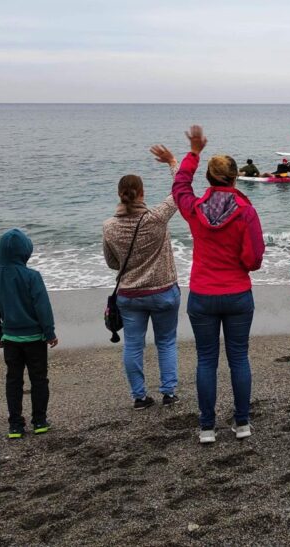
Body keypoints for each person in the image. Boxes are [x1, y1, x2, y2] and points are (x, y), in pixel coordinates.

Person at [173, 125, 265, 444]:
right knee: (238, 357)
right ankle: (242, 424)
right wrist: (238, 263)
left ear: (210, 179)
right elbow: (254, 259)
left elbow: (180, 186)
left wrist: (193, 153)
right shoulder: (245, 211)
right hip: (237, 293)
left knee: (206, 360)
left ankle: (207, 428)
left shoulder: (195, 209)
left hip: (203, 295)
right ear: (235, 178)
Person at [102, 146, 181, 410]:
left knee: (133, 346)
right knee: (166, 342)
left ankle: (139, 397)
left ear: (119, 195)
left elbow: (113, 262)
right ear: (142, 193)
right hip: (163, 292)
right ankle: (169, 393)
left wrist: (130, 263)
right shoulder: (156, 218)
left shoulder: (110, 226)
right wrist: (172, 161)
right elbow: (181, 190)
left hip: (130, 295)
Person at [0, 228, 58, 439]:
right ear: (25, 253)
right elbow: (42, 307)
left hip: (10, 339)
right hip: (35, 338)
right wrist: (50, 332)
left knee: (13, 380)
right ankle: (39, 421)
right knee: (39, 379)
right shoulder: (32, 276)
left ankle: (16, 425)